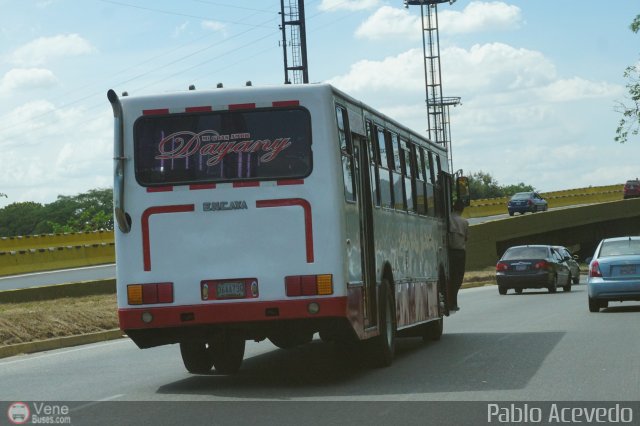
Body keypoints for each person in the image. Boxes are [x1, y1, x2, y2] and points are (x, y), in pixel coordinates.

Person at [448, 199, 469, 311]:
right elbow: (466, 238)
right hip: (460, 253)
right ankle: (453, 302)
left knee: (451, 278)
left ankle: (452, 302)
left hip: (450, 252)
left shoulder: (448, 219)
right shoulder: (464, 222)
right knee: (458, 279)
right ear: (462, 209)